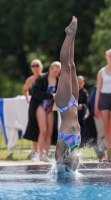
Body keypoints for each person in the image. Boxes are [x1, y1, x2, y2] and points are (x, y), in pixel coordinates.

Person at [55, 16, 81, 171]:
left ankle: (69, 34)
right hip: (75, 103)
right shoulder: (74, 150)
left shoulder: (62, 147)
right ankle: (73, 35)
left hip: (64, 105)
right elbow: (74, 171)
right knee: (72, 67)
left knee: (65, 67)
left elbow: (57, 169)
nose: (76, 160)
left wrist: (60, 166)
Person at [23, 61, 61, 162]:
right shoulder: (41, 79)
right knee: (43, 130)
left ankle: (45, 155)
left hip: (51, 107)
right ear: (50, 69)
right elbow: (35, 92)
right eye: (54, 71)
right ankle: (38, 154)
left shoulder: (59, 81)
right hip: (40, 105)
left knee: (49, 132)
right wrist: (50, 95)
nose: (56, 73)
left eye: (58, 72)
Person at [23, 59, 43, 161]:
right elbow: (25, 89)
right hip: (34, 105)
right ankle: (35, 152)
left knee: (44, 130)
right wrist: (27, 98)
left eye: (37, 65)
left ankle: (42, 152)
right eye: (33, 66)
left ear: (41, 66)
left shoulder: (44, 78)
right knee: (34, 128)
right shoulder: (30, 79)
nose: (35, 67)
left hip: (44, 105)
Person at [77, 75, 89, 144]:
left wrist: (86, 112)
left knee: (82, 128)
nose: (79, 85)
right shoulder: (71, 91)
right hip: (72, 115)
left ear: (83, 83)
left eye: (81, 83)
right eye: (78, 83)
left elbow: (86, 104)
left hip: (81, 114)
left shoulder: (84, 92)